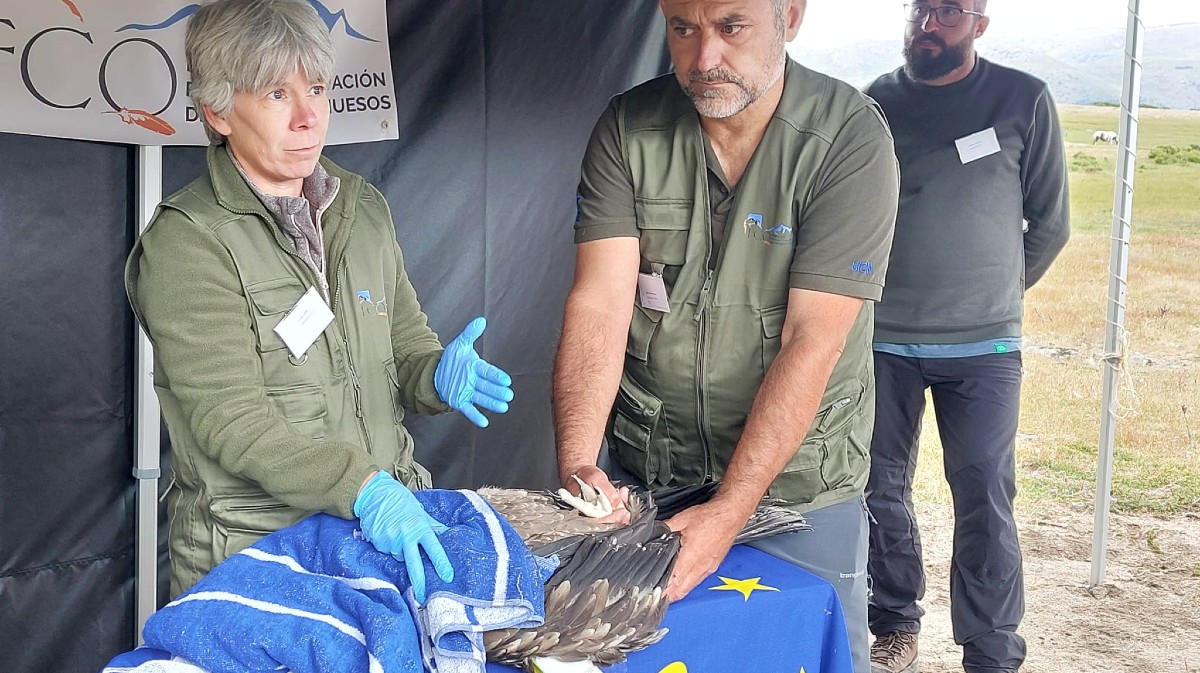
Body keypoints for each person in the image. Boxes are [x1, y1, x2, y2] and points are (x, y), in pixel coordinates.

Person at [125, 0, 513, 601]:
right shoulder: (188, 243)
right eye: (277, 95)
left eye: (317, 89)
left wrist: (437, 376)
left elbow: (405, 352)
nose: (309, 116)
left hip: (382, 544)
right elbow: (233, 423)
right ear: (218, 112)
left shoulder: (362, 209)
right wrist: (363, 486)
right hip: (261, 558)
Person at [551, 1, 898, 670]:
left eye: (731, 27)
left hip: (799, 489)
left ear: (789, 17)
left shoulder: (848, 138)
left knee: (803, 649)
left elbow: (811, 339)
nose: (703, 57)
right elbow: (599, 302)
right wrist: (579, 463)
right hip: (650, 469)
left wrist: (731, 510)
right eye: (682, 29)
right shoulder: (629, 128)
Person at [863, 2, 1070, 672]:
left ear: (979, 23)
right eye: (920, 7)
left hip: (985, 347)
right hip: (882, 338)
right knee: (877, 484)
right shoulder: (873, 105)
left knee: (983, 488)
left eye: (949, 10)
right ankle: (894, 622)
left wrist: (993, 298)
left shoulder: (1022, 99)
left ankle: (990, 647)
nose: (930, 21)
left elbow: (1050, 222)